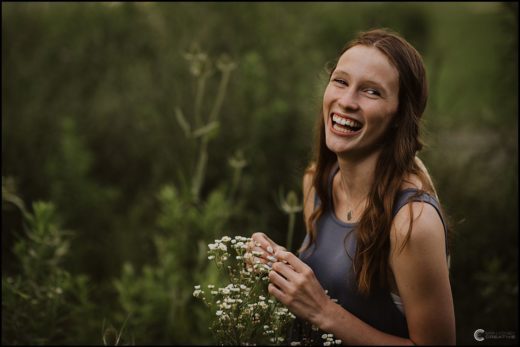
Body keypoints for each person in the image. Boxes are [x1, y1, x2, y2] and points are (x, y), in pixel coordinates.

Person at [248, 28, 456, 345]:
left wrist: (323, 312)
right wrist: (280, 267)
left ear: (400, 115)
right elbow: (337, 279)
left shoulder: (412, 223)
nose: (346, 101)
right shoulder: (317, 182)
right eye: (341, 81)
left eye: (371, 92)